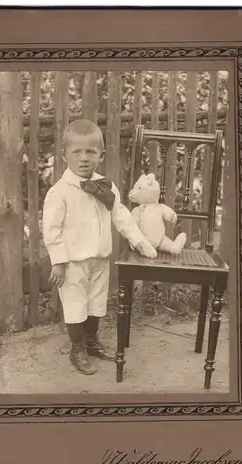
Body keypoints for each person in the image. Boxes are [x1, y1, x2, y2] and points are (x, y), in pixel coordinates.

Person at [43, 119, 157, 375]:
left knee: (96, 302)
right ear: (64, 155)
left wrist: (139, 240)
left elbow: (121, 215)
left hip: (100, 259)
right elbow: (52, 230)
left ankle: (91, 341)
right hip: (73, 262)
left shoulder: (107, 186)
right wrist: (58, 262)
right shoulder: (59, 192)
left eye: (90, 152)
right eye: (77, 152)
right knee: (75, 304)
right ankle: (77, 347)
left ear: (100, 155)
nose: (84, 158)